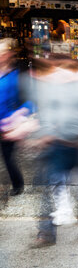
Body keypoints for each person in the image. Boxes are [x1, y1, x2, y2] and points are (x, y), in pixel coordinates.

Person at [26, 57, 78, 246]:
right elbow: (44, 111)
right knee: (46, 186)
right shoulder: (51, 84)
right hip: (59, 143)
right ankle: (45, 232)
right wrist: (44, 133)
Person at [0, 38, 33, 196]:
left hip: (8, 124)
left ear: (9, 54)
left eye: (3, 53)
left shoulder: (17, 75)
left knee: (8, 157)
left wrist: (19, 116)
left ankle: (17, 184)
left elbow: (28, 100)